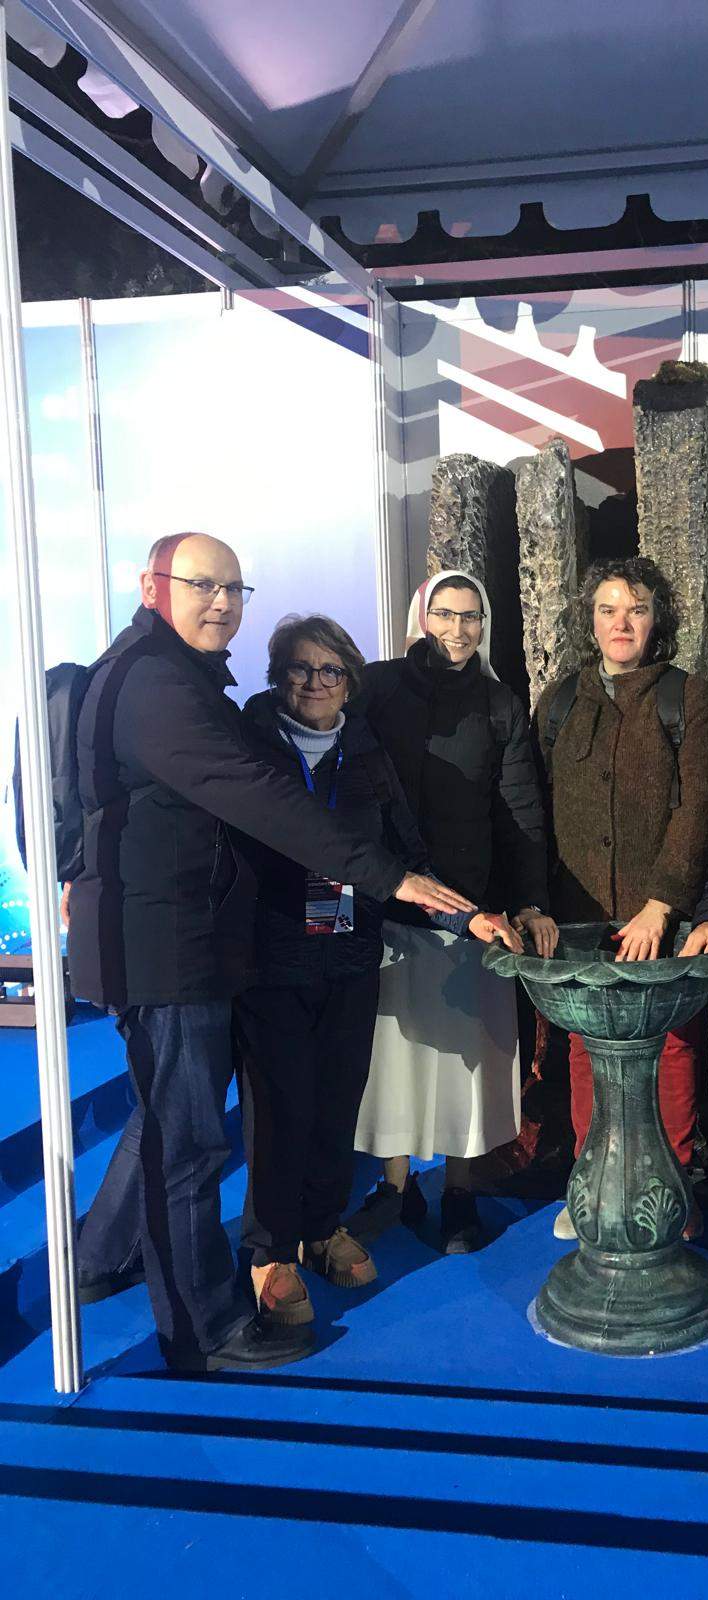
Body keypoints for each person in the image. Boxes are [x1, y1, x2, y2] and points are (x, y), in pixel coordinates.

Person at [68, 533, 475, 1374]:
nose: (220, 602)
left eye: (232, 588)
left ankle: (99, 1257)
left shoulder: (185, 677)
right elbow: (259, 800)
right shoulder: (163, 686)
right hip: (181, 946)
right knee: (192, 1144)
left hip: (229, 943)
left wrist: (436, 897)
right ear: (152, 586)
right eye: (201, 585)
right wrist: (388, 877)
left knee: (168, 1118)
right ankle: (206, 1330)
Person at [235, 613, 482, 1325]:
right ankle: (270, 1248)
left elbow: (404, 850)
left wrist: (464, 916)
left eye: (331, 670)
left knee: (337, 1098)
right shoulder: (252, 744)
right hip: (271, 958)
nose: (316, 683)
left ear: (350, 681)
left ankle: (321, 1227)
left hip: (349, 952)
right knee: (279, 1109)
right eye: (301, 668)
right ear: (278, 676)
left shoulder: (366, 750)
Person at [353, 569, 554, 1253]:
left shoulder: (499, 705)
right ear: (422, 617)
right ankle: (396, 1186)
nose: (458, 629)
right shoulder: (377, 688)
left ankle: (461, 1191)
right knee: (392, 1056)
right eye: (444, 614)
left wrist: (528, 899)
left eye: (470, 616)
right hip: (387, 904)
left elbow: (520, 811)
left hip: (472, 912)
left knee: (470, 1061)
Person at [536, 556, 708, 1240]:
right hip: (579, 913)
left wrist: (662, 903)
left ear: (656, 620)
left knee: (669, 1045)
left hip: (659, 917)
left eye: (637, 610)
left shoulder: (689, 699)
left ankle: (669, 1189)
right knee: (585, 1044)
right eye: (608, 610)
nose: (622, 623)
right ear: (590, 621)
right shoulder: (559, 702)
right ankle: (593, 1186)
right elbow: (536, 806)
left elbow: (701, 807)